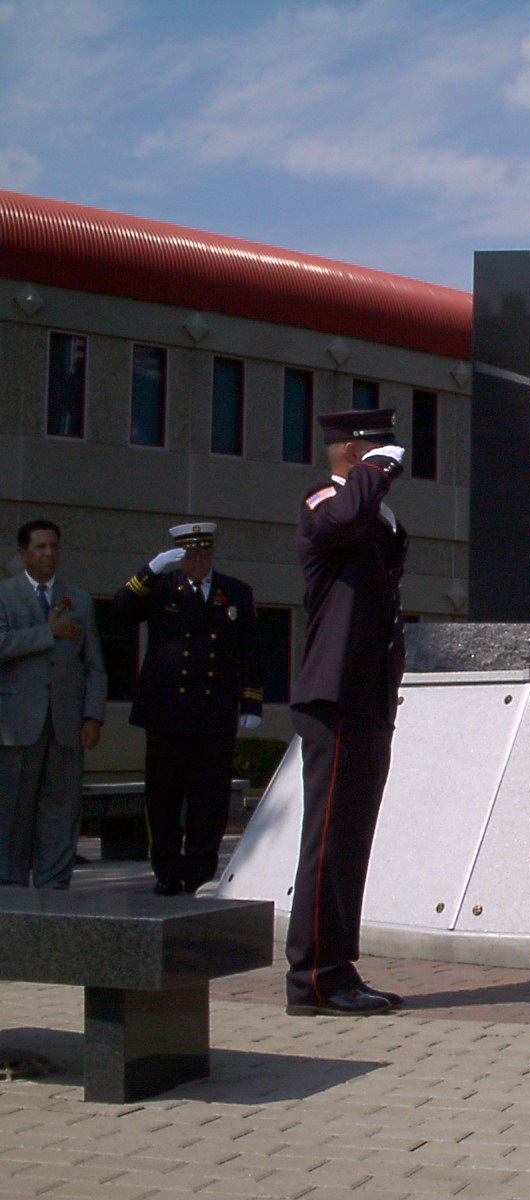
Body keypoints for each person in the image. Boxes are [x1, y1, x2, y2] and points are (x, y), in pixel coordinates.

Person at [285, 409, 407, 1017]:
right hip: (332, 695)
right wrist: (374, 471)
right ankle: (312, 977)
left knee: (350, 839)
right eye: (382, 449)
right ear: (356, 450)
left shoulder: (371, 511)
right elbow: (341, 519)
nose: (395, 460)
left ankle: (339, 965)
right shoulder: (323, 499)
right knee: (327, 837)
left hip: (366, 693)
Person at [110, 522, 263, 895]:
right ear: (179, 557)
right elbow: (118, 612)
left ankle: (199, 870)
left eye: (204, 552)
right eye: (190, 554)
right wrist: (150, 570)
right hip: (167, 711)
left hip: (214, 711)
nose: (198, 560)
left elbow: (251, 650)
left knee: (209, 800)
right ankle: (166, 869)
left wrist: (252, 701)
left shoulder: (235, 592)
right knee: (163, 797)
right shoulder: (161, 588)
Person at [0, 519, 106, 888]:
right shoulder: (5, 594)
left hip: (65, 724)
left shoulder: (78, 598)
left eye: (54, 546)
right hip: (17, 725)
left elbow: (94, 665)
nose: (49, 553)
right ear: (23, 552)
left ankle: (55, 888)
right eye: (41, 547)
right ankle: (9, 888)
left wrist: (93, 715)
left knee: (61, 810)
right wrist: (48, 632)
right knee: (13, 810)